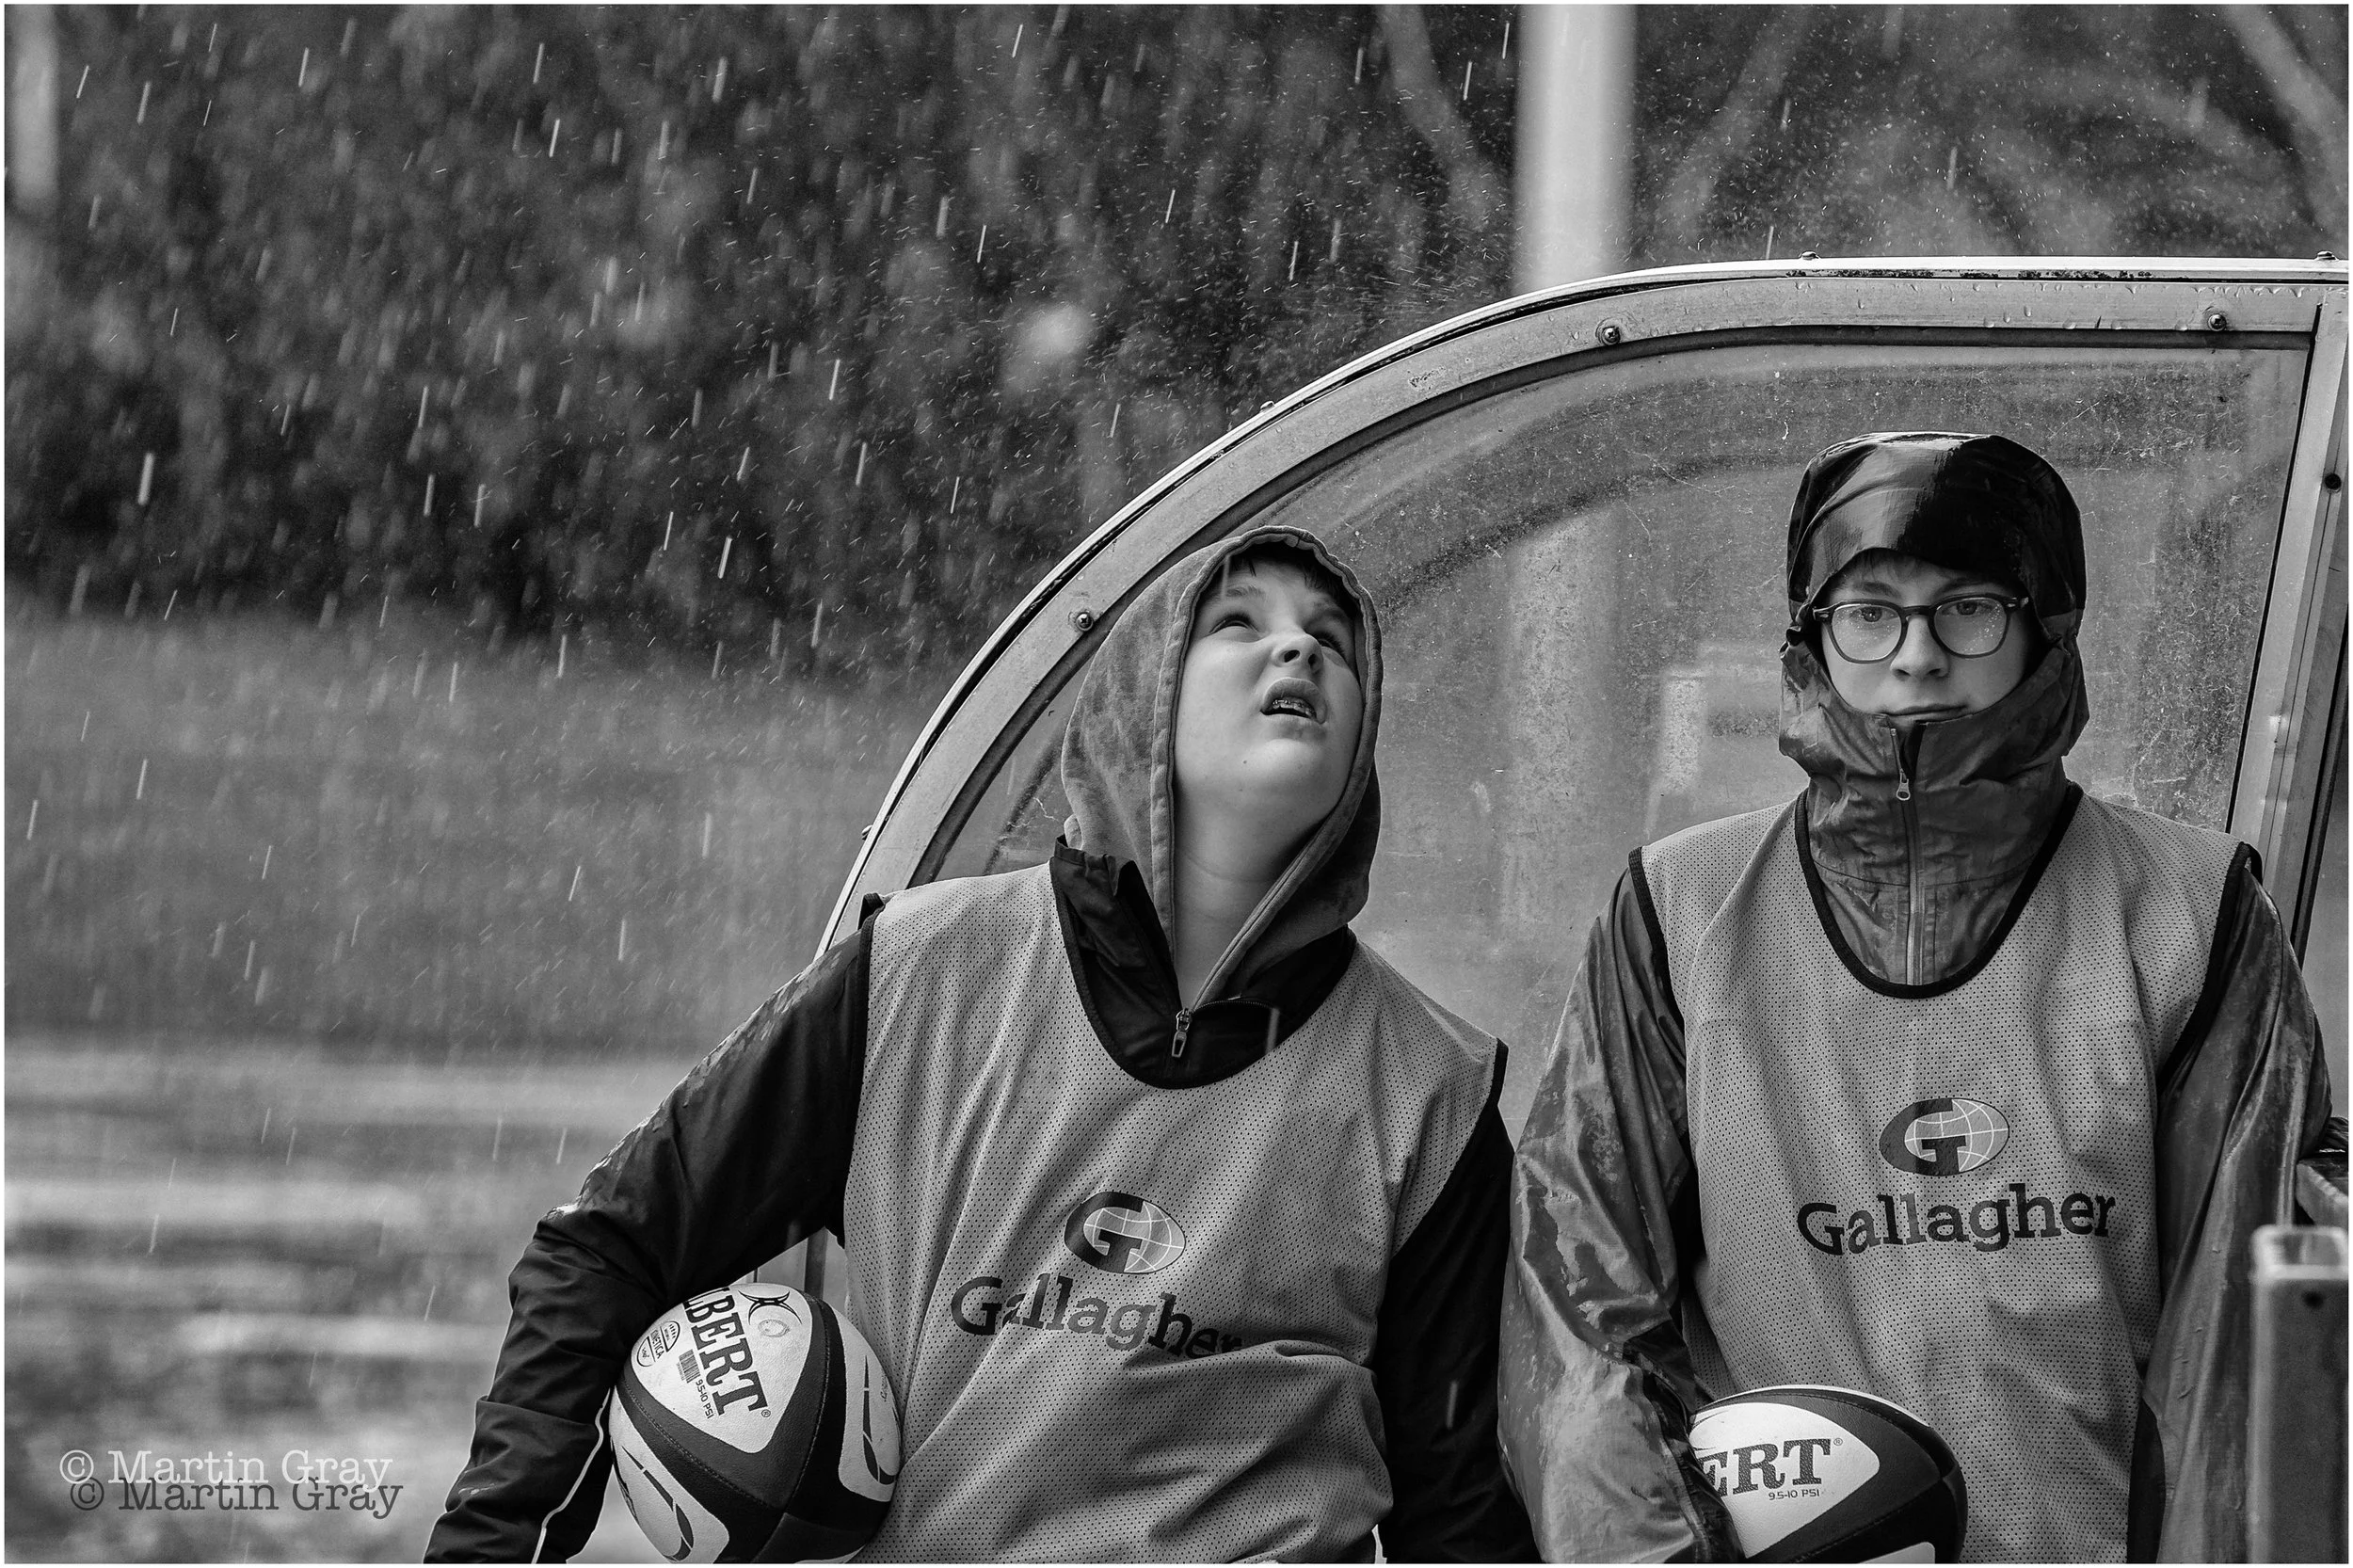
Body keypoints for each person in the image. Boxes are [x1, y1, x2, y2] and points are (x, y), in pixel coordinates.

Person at [427, 523, 1536, 1561]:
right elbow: (606, 1249)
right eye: (1237, 622)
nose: (1299, 644)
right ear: (1138, 699)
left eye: (1334, 641)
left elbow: (1461, 1513)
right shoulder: (917, 972)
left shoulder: (1428, 1092)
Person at [1497, 432, 2343, 1561]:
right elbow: (1580, 1311)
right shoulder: (1675, 913)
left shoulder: (2194, 918)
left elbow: (2238, 1360)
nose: (1916, 657)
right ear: (1810, 638)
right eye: (1870, 610)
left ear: (2045, 627)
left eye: (1969, 608)